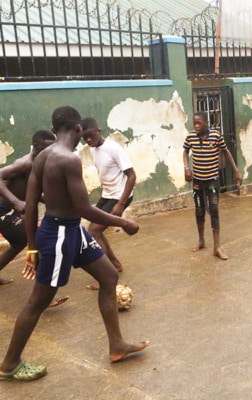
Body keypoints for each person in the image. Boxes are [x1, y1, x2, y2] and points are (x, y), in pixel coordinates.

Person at [0, 106, 148, 382]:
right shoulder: (68, 160)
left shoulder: (42, 156)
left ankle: (116, 345)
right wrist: (124, 222)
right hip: (58, 234)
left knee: (109, 276)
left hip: (71, 231)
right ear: (78, 129)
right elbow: (84, 209)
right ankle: (9, 364)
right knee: (39, 300)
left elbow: (31, 204)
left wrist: (32, 246)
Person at [0, 130, 68, 307]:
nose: (53, 152)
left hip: (9, 210)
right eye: (49, 148)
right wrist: (15, 202)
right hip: (3, 210)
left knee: (21, 242)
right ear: (38, 147)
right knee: (36, 242)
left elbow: (33, 191)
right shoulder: (25, 163)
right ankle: (43, 297)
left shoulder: (40, 162)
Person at [81, 117, 136, 290]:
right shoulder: (94, 149)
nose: (88, 140)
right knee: (94, 230)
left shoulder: (113, 148)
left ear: (99, 131)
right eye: (85, 137)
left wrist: (120, 204)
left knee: (95, 231)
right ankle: (115, 265)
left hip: (120, 196)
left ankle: (104, 274)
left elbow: (132, 175)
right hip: (107, 195)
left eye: (91, 136)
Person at [183, 111, 242, 260]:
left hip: (212, 182)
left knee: (214, 211)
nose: (196, 126)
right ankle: (201, 241)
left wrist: (236, 172)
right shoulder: (190, 137)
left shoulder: (216, 136)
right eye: (194, 123)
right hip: (197, 182)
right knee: (199, 210)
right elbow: (185, 151)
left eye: (199, 123)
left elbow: (226, 152)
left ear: (206, 123)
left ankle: (217, 247)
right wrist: (186, 168)